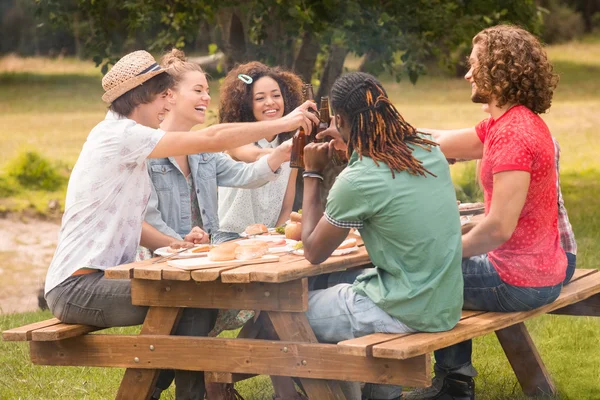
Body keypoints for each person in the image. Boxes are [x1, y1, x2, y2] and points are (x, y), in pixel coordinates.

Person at [43, 50, 318, 400]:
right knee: (189, 298)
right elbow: (211, 137)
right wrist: (283, 123)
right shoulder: (120, 135)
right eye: (163, 95)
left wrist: (172, 243)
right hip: (77, 286)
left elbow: (131, 217)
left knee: (191, 299)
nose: (168, 103)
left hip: (101, 277)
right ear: (140, 95)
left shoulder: (128, 138)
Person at [406, 25, 567, 400]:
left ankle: (449, 382)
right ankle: (454, 377)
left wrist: (441, 253)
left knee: (418, 270)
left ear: (498, 69)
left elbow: (497, 229)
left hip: (519, 280)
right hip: (535, 271)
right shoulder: (507, 122)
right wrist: (383, 130)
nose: (466, 74)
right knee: (436, 268)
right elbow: (441, 140)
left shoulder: (513, 135)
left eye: (473, 64)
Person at [299, 71, 464, 400]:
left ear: (341, 119)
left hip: (404, 309)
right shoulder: (428, 149)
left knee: (290, 315)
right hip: (443, 304)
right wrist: (350, 143)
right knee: (342, 288)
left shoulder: (357, 179)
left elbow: (313, 251)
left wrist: (312, 171)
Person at [142, 49, 292, 253]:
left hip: (200, 258)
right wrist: (181, 241)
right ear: (170, 95)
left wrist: (280, 154)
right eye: (198, 91)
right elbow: (146, 219)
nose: (206, 97)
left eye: (207, 91)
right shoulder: (147, 151)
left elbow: (245, 175)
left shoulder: (203, 152)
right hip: (157, 263)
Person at [217, 62, 304, 233]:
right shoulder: (235, 138)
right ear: (245, 104)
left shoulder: (289, 143)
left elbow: (287, 206)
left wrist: (276, 236)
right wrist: (286, 153)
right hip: (229, 237)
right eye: (260, 98)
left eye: (276, 95)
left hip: (269, 239)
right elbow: (254, 155)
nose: (270, 102)